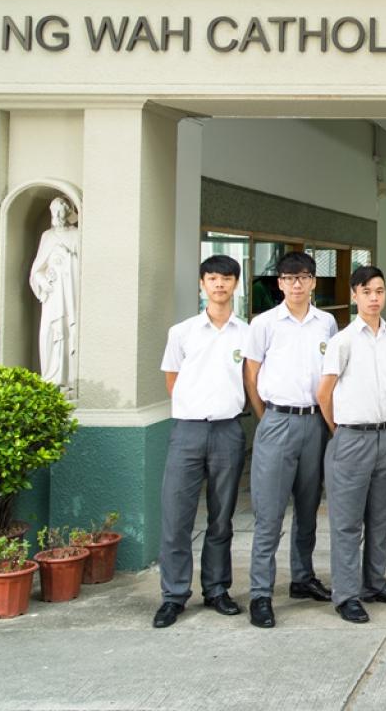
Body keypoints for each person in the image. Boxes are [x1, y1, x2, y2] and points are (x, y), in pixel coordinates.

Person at [243, 251, 338, 629]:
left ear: (314, 281)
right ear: (280, 283)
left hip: (315, 423)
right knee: (269, 514)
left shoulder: (327, 323)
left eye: (303, 277)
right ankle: (260, 593)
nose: (296, 284)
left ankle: (302, 577)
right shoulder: (264, 324)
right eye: (289, 278)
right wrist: (267, 418)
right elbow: (251, 376)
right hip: (277, 421)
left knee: (308, 508)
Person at [153, 255, 249, 629]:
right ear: (202, 284)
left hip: (228, 431)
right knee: (176, 517)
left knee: (221, 518)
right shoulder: (182, 332)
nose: (219, 284)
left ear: (236, 284)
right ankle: (174, 595)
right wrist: (194, 407)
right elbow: (172, 380)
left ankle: (217, 589)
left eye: (226, 278)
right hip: (188, 432)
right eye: (212, 278)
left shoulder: (247, 333)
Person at [317, 265, 386, 624]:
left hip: (385, 437)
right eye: (367, 291)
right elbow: (324, 394)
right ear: (354, 295)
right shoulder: (342, 341)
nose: (374, 298)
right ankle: (346, 595)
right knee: (347, 523)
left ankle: (375, 583)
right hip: (351, 438)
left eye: (380, 291)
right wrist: (341, 430)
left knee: (380, 517)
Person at [29, 195, 80, 390]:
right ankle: (50, 376)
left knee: (69, 331)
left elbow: (82, 264)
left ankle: (68, 379)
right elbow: (37, 269)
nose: (57, 216)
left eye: (60, 212)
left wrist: (68, 257)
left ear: (68, 212)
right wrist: (43, 280)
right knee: (48, 332)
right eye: (54, 212)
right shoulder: (47, 236)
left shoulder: (76, 235)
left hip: (71, 293)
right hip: (53, 294)